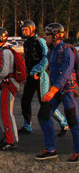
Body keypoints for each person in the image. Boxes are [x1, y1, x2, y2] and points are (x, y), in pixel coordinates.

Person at [35, 23, 79, 162]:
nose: (45, 36)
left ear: (56, 35)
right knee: (43, 115)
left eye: (48, 34)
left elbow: (66, 71)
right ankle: (50, 149)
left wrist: (52, 90)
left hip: (69, 89)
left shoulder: (67, 50)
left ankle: (78, 151)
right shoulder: (51, 50)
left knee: (73, 120)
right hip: (56, 88)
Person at [18, 20, 69, 136]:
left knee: (45, 102)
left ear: (32, 29)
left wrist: (36, 70)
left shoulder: (40, 41)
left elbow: (46, 58)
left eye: (26, 29)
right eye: (22, 29)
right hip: (31, 75)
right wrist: (27, 74)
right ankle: (27, 126)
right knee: (25, 101)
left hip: (41, 76)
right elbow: (28, 61)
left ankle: (63, 122)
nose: (23, 31)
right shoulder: (26, 43)